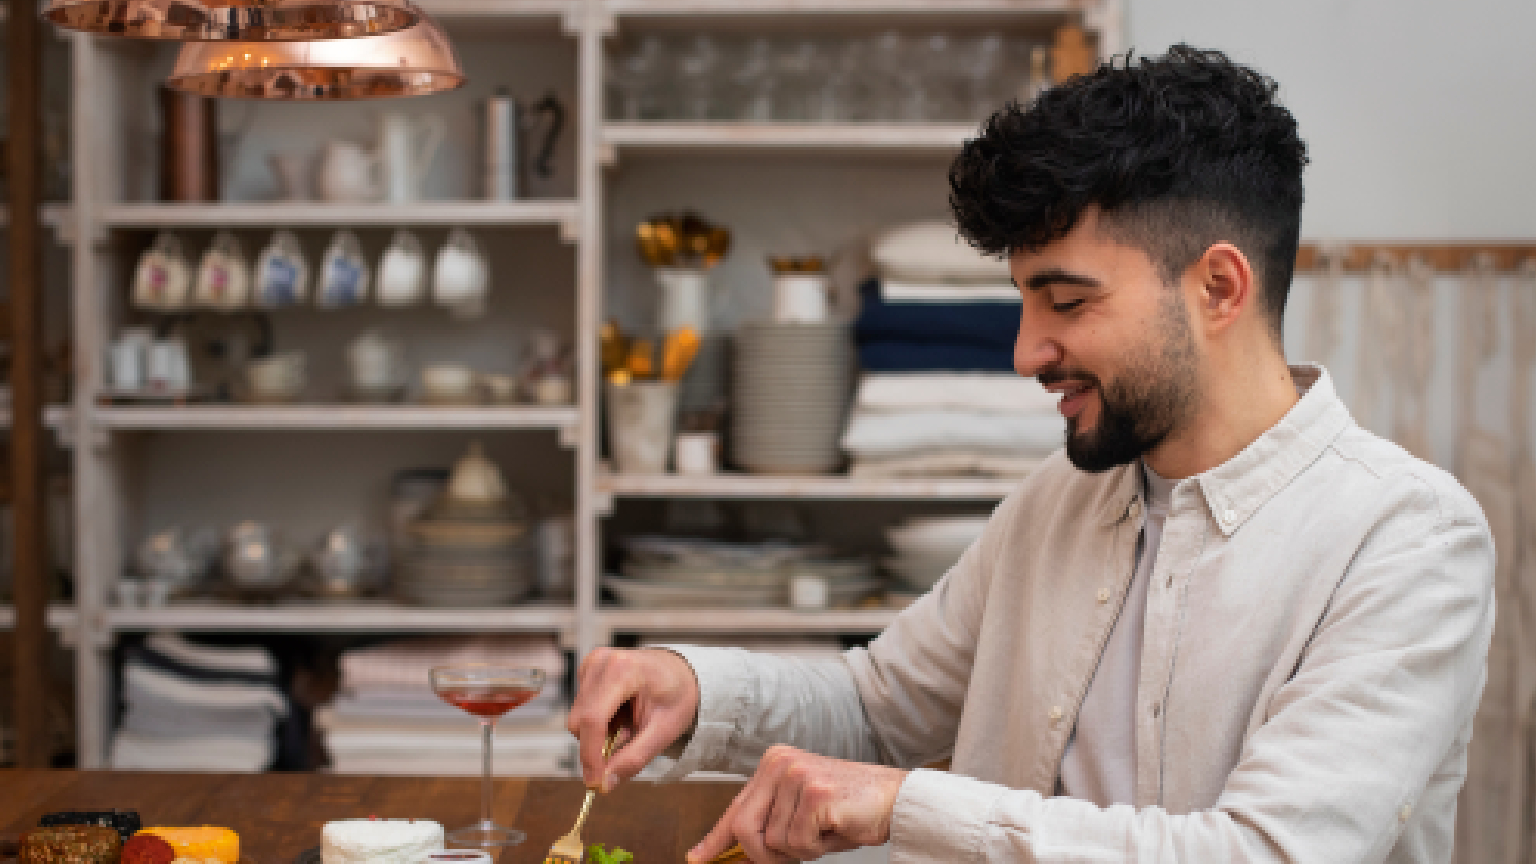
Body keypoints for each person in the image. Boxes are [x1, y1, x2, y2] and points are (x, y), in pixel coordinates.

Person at [568, 45, 1495, 863]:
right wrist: (695, 685)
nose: (1024, 353)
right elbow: (880, 705)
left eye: (1067, 300)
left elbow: (1265, 853)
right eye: (1022, 300)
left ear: (1218, 287)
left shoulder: (1410, 541)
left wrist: (909, 808)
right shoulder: (1064, 496)